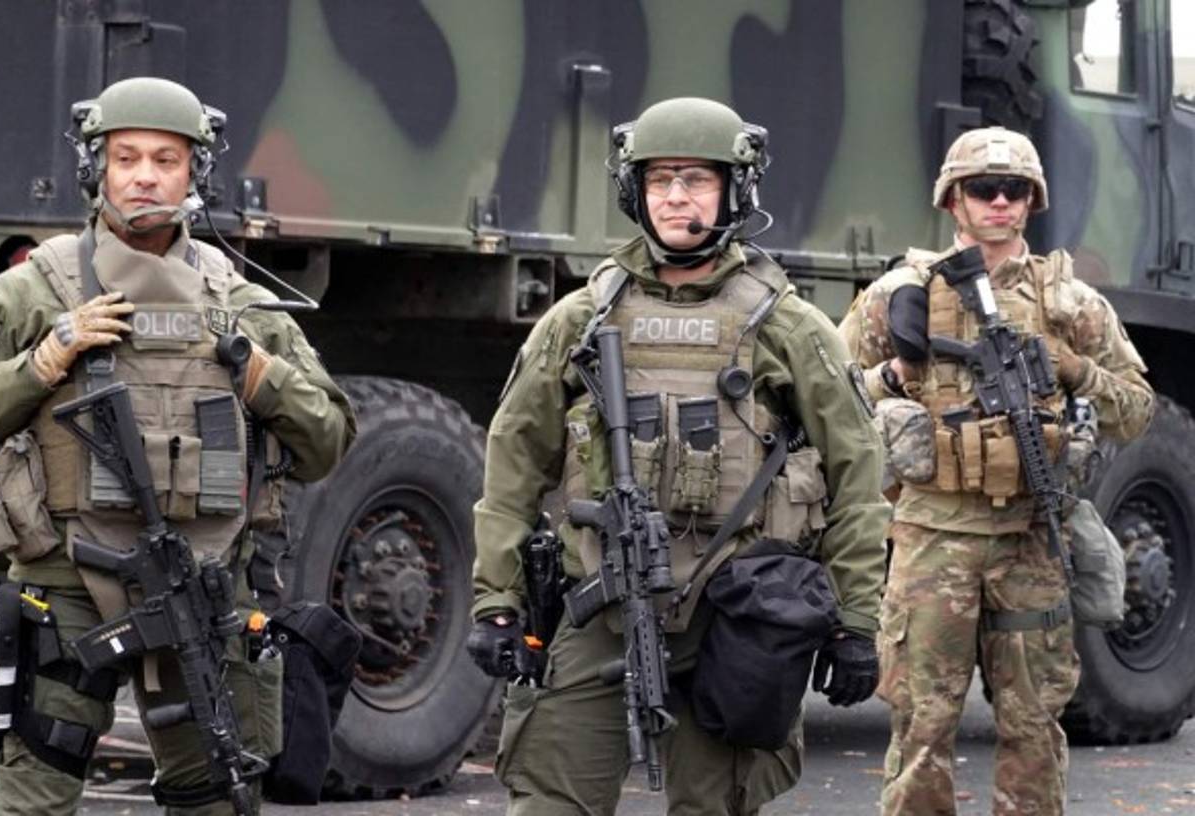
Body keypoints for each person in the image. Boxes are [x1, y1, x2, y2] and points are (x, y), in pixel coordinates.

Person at [467, 96, 890, 815]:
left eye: (695, 180)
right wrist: (497, 600)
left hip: (738, 620)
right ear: (636, 192)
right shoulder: (580, 320)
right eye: (659, 180)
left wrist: (856, 620)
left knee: (715, 803)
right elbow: (513, 465)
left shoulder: (789, 327)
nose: (675, 198)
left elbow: (857, 476)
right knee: (547, 798)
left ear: (735, 190)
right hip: (599, 609)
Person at [0, 76, 355, 814]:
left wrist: (264, 381)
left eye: (166, 160)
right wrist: (42, 363)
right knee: (36, 794)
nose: (145, 175)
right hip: (64, 586)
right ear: (96, 169)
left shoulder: (239, 302)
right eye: (126, 157)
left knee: (213, 792)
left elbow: (326, 445)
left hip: (201, 589)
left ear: (194, 174)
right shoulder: (34, 292)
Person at [838, 126, 1154, 816]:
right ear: (954, 200)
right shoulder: (902, 293)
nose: (1001, 203)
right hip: (931, 536)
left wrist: (1076, 371)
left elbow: (1135, 410)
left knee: (1034, 727)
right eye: (984, 189)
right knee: (922, 725)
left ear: (1032, 203)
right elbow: (830, 397)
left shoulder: (1071, 304)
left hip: (1029, 537)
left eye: (1016, 191)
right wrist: (895, 373)